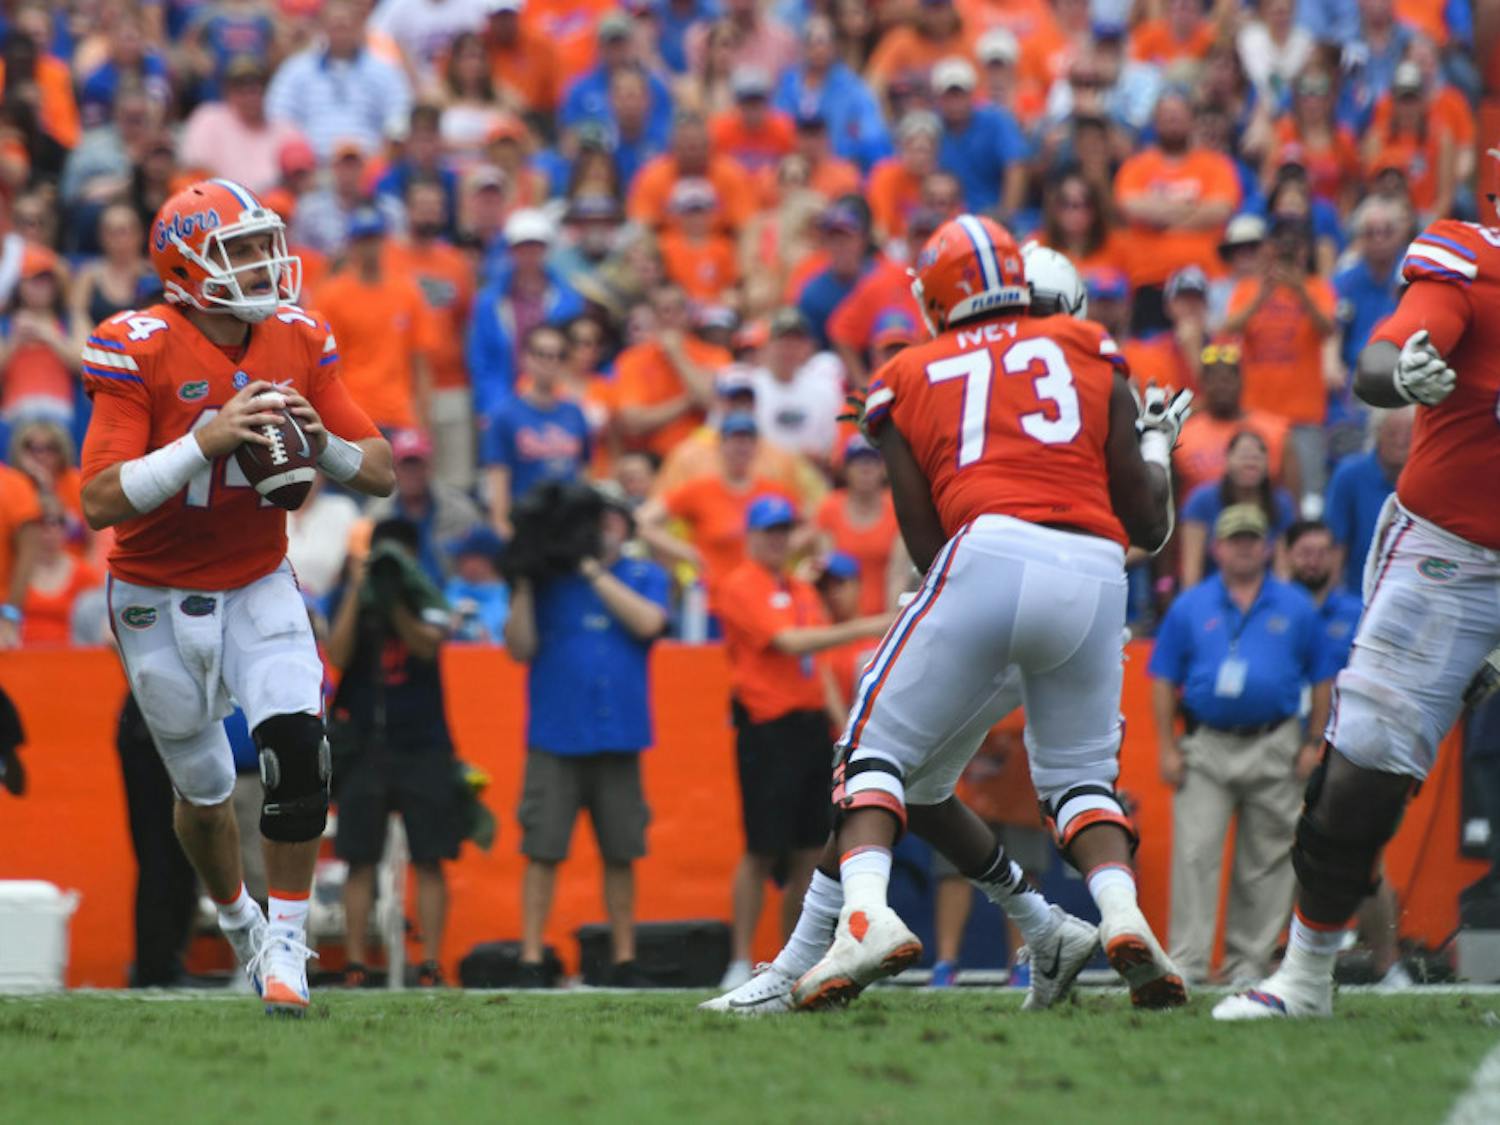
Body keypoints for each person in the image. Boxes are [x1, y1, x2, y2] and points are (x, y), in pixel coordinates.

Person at [790, 214, 1190, 1011]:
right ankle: (1121, 913)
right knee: (1079, 779)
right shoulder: (1089, 349)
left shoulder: (905, 372)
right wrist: (1153, 447)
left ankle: (863, 915)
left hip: (988, 555)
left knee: (869, 755)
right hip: (1096, 570)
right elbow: (1149, 526)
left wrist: (898, 430)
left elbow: (930, 543)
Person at [77, 178, 395, 1015]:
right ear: (186, 265)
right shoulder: (135, 344)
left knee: (299, 746)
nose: (264, 261)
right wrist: (203, 440)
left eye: (264, 243)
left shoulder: (296, 336)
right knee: (205, 794)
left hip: (257, 577)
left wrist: (323, 448)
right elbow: (100, 499)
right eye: (242, 249)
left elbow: (383, 469)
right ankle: (240, 921)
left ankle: (287, 941)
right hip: (153, 593)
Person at [1213, 186, 1500, 1021]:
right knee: (1360, 771)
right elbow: (1383, 358)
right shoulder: (1471, 259)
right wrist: (1399, 373)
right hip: (1455, 549)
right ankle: (1306, 976)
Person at [1151, 504, 1337, 986]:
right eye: (1235, 539)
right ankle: (1188, 965)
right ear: (1217, 547)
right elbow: (1162, 677)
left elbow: (1322, 679)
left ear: (1268, 546)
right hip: (1207, 745)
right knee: (1195, 854)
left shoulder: (1296, 605)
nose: (1244, 547)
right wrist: (1167, 747)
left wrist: (1313, 741)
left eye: (1253, 539)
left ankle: (1247, 968)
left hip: (1276, 740)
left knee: (1268, 858)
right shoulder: (1191, 605)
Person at [715, 494, 892, 990]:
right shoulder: (741, 585)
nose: (777, 540)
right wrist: (872, 625)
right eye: (768, 531)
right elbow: (793, 644)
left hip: (811, 726)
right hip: (767, 729)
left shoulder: (799, 588)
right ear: (751, 537)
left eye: (782, 531)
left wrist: (842, 729)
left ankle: (793, 956)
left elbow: (819, 674)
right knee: (761, 848)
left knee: (809, 852)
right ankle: (739, 957)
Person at [502, 490, 670, 987]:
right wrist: (525, 580)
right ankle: (532, 957)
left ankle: (624, 958)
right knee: (543, 850)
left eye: (613, 520)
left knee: (622, 851)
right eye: (598, 521)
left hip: (619, 734)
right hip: (557, 734)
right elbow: (518, 647)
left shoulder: (644, 575)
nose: (604, 529)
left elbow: (650, 623)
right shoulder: (548, 581)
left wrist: (592, 571)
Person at [327, 517, 460, 989]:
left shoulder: (427, 593)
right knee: (359, 858)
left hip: (423, 743)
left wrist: (398, 600)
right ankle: (357, 963)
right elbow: (338, 657)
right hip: (365, 744)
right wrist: (359, 589)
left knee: (430, 856)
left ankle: (431, 963)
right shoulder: (355, 596)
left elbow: (427, 647)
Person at [1223, 215, 1338, 502]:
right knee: (1256, 494)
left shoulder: (1318, 288)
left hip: (1304, 413)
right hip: (1257, 411)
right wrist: (1262, 295)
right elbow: (1230, 328)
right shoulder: (1248, 288)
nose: (1287, 254)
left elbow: (1328, 329)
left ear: (1304, 252)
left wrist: (1299, 292)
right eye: (1281, 247)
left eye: (1294, 247)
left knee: (1308, 497)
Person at [314, 207, 435, 434]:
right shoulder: (331, 296)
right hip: (353, 415)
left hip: (400, 416)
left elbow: (420, 360)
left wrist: (424, 421)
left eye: (374, 239)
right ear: (351, 245)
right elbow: (325, 367)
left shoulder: (407, 292)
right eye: (363, 240)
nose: (370, 248)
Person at [264, 0, 413, 159]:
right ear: (322, 26)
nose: (341, 31)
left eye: (346, 25)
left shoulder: (384, 70)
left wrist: (383, 155)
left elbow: (400, 117)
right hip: (311, 168)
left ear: (359, 25)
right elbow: (278, 116)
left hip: (368, 165)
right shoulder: (296, 70)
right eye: (335, 25)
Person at [482, 324, 591, 538]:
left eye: (558, 356)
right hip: (526, 526)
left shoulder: (575, 412)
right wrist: (503, 529)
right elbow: (498, 481)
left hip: (569, 527)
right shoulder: (504, 416)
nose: (549, 363)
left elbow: (583, 473)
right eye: (541, 354)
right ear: (525, 358)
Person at [1172, 343, 1295, 501]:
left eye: (1227, 379)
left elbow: (1290, 499)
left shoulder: (1276, 430)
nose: (1221, 386)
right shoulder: (1182, 434)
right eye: (1213, 380)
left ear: (1241, 381)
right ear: (1202, 384)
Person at [1178, 430, 1297, 588]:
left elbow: (1283, 570)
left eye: (1257, 457)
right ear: (1226, 460)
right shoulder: (1201, 500)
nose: (1250, 462)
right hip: (1212, 590)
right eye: (1243, 456)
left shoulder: (1281, 503)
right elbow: (1191, 569)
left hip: (1265, 591)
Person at [365, 429, 485, 584]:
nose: (412, 473)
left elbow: (480, 563)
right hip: (396, 599)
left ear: (430, 466)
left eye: (417, 464)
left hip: (451, 595)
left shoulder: (460, 511)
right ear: (394, 469)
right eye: (405, 465)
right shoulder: (377, 514)